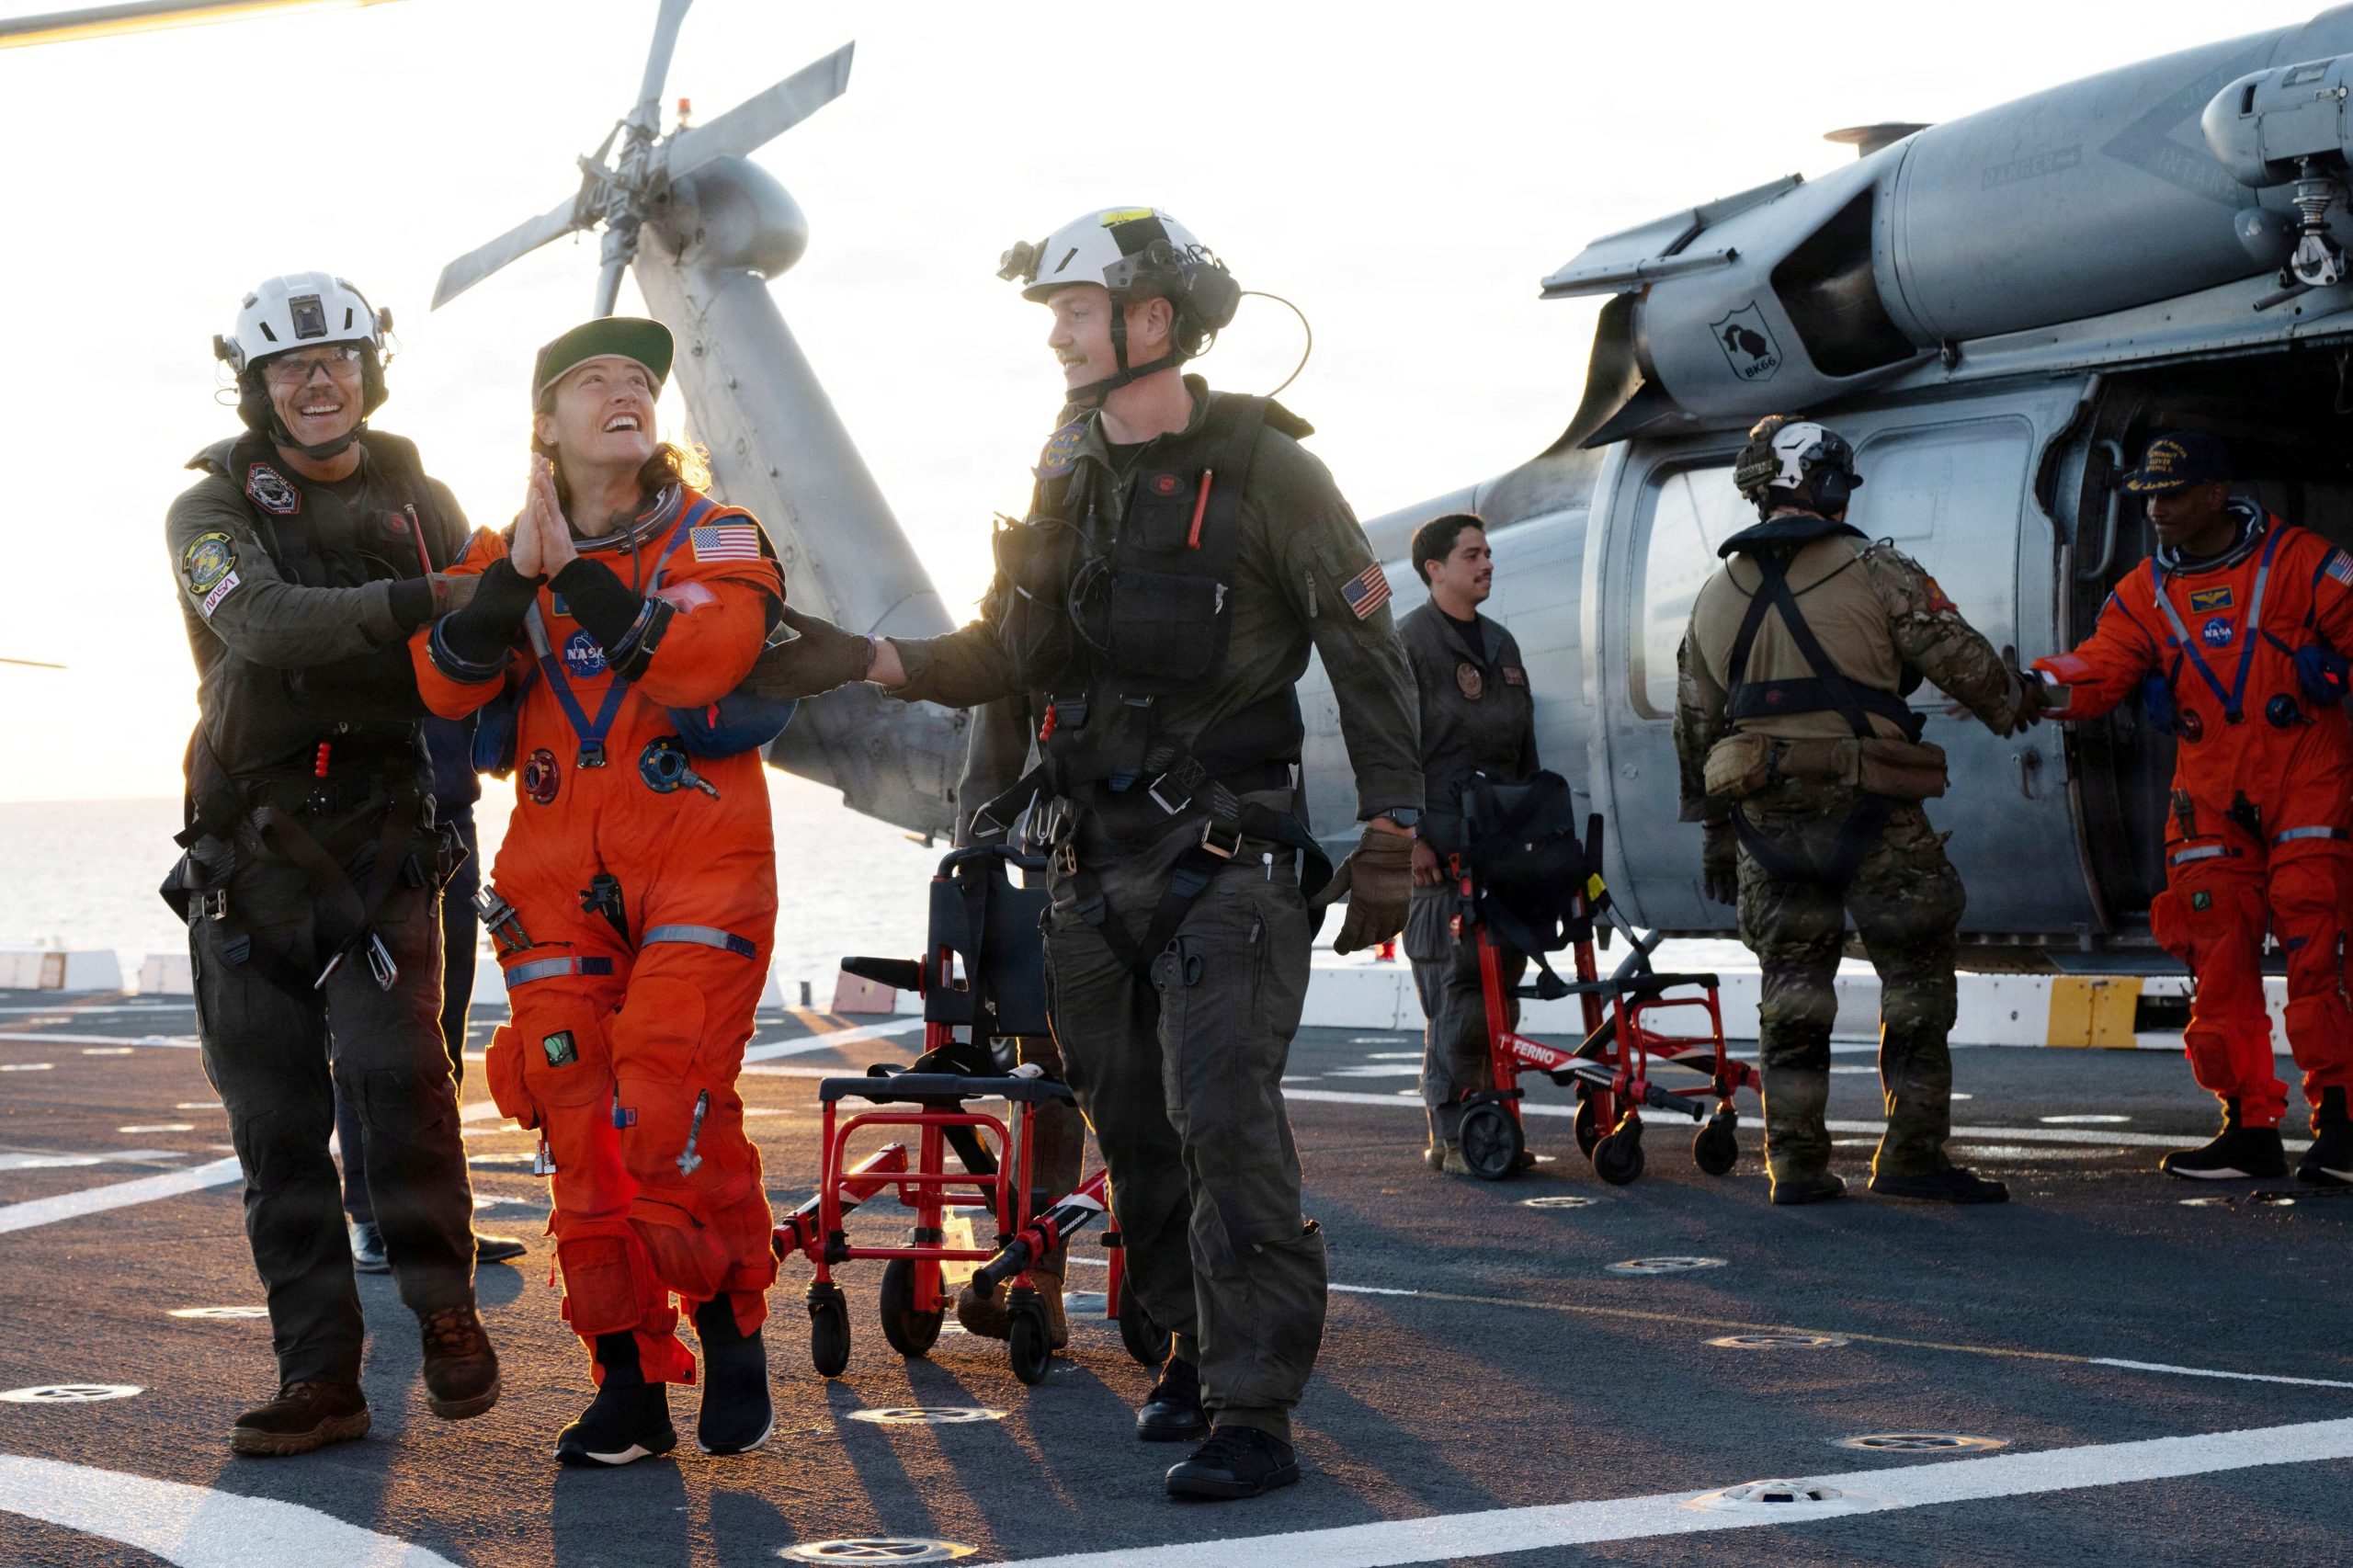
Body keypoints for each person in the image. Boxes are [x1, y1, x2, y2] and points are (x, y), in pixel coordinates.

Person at [800, 206, 1422, 1498]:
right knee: (1135, 1140)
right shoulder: (1066, 468)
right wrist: (866, 657)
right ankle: (1189, 1345)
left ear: (1152, 320)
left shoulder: (1271, 472)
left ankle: (1254, 1406)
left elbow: (1366, 648)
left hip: (1225, 863)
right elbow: (1007, 650)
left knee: (1225, 1129)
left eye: (1076, 312)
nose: (1058, 336)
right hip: (1086, 868)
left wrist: (1391, 830)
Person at [411, 318, 788, 1465]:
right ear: (547, 424)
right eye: (593, 380)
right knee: (579, 1126)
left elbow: (701, 659)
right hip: (553, 875)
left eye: (638, 379)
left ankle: (729, 1319)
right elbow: (441, 677)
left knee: (664, 1097)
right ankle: (627, 1383)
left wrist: (565, 571)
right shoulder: (500, 551)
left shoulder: (719, 533)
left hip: (701, 856)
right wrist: (513, 577)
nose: (625, 389)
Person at [163, 271, 498, 1456]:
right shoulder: (208, 511)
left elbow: (496, 630)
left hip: (385, 834)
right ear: (255, 386)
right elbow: (258, 622)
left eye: (338, 358)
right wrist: (427, 596)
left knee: (400, 1073)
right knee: (276, 1122)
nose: (319, 380)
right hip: (250, 854)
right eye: (292, 366)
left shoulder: (425, 500)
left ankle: (445, 1304)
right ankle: (320, 1376)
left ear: (370, 370)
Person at [1674, 415, 2040, 1207]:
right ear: (1824, 483)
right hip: (1874, 814)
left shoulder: (1713, 593)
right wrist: (2017, 701)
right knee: (1915, 978)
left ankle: (1795, 1164)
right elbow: (1962, 660)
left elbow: (1696, 731)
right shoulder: (1879, 569)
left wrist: (1714, 834)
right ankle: (1911, 1153)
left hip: (1767, 826)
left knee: (1792, 990)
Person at [2032, 431, 2353, 1187]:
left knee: (2317, 944)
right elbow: (2100, 666)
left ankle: (2343, 1126)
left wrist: (2335, 666)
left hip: (2306, 776)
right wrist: (2031, 687)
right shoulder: (2144, 592)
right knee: (2217, 958)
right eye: (2148, 496)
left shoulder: (2304, 563)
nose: (2156, 510)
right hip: (2208, 792)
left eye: (2172, 495)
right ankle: (2249, 1130)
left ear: (2216, 494)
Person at [340, 710, 527, 1273]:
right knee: (366, 1032)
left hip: (448, 821)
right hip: (364, 822)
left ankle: (443, 1216)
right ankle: (372, 1217)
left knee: (443, 1034)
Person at [1397, 514, 1540, 1175]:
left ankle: (1491, 1129)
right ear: (1435, 569)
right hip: (1440, 855)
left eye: (1488, 553)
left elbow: (1526, 751)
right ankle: (1455, 1136)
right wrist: (1408, 835)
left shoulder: (1503, 645)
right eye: (1472, 554)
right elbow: (1389, 748)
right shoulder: (1410, 645)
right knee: (1454, 993)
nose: (1486, 564)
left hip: (1501, 850)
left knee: (1498, 993)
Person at [950, 692, 1086, 1349]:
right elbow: (990, 768)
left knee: (1188, 1071)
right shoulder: (1029, 626)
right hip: (1064, 869)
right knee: (1047, 1075)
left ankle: (1201, 1299)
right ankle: (1038, 1274)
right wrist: (968, 901)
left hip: (1196, 859)